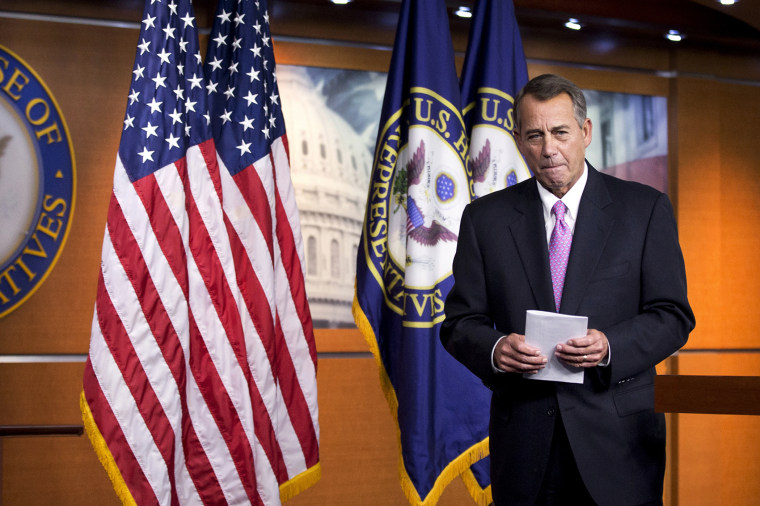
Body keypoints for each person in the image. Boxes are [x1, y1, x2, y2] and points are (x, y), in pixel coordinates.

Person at [440, 74, 695, 505]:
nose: (549, 149)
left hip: (620, 447)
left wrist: (609, 345)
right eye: (535, 135)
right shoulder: (484, 220)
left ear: (585, 132)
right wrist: (496, 348)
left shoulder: (644, 209)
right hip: (524, 447)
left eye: (560, 132)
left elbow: (673, 315)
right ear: (518, 139)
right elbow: (460, 323)